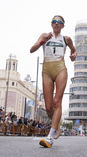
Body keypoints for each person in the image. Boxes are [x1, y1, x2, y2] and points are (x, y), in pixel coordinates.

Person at [30, 15, 77, 148]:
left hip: (60, 68)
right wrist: (42, 41)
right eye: (54, 22)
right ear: (51, 24)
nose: (56, 24)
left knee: (57, 101)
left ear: (63, 25)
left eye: (59, 22)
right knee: (49, 107)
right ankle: (56, 124)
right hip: (46, 70)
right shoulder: (45, 35)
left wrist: (73, 55)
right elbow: (31, 50)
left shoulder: (66, 39)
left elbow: (74, 51)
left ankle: (50, 136)